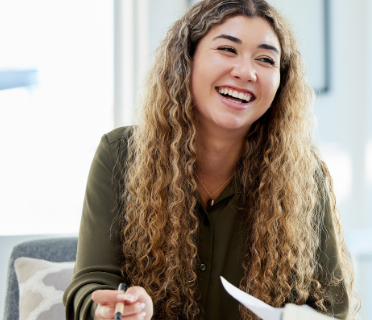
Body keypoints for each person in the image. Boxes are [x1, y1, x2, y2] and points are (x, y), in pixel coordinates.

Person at [62, 0, 354, 319]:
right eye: (228, 50)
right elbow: (90, 284)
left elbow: (333, 308)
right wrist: (113, 309)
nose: (246, 72)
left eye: (266, 59)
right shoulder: (120, 153)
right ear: (187, 60)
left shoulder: (305, 176)